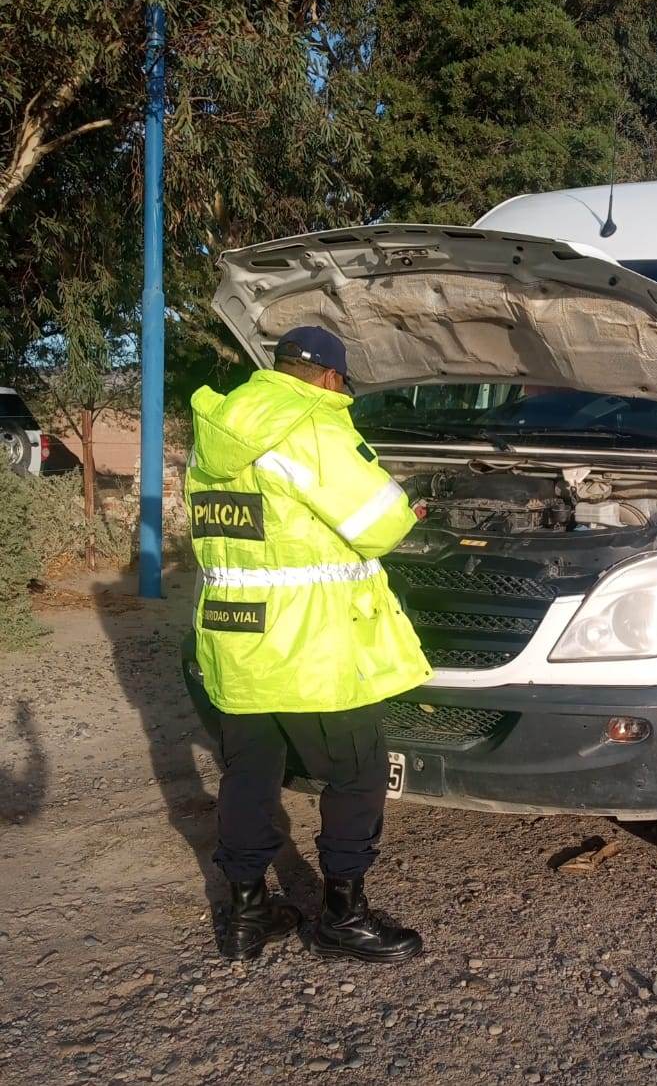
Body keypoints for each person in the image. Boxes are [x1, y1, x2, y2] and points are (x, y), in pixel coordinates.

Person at [185, 325, 432, 962]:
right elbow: (377, 527)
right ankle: (343, 916)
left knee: (249, 772)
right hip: (312, 646)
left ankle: (247, 913)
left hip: (234, 638)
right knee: (356, 771)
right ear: (327, 378)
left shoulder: (216, 434)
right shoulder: (313, 426)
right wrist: (407, 510)